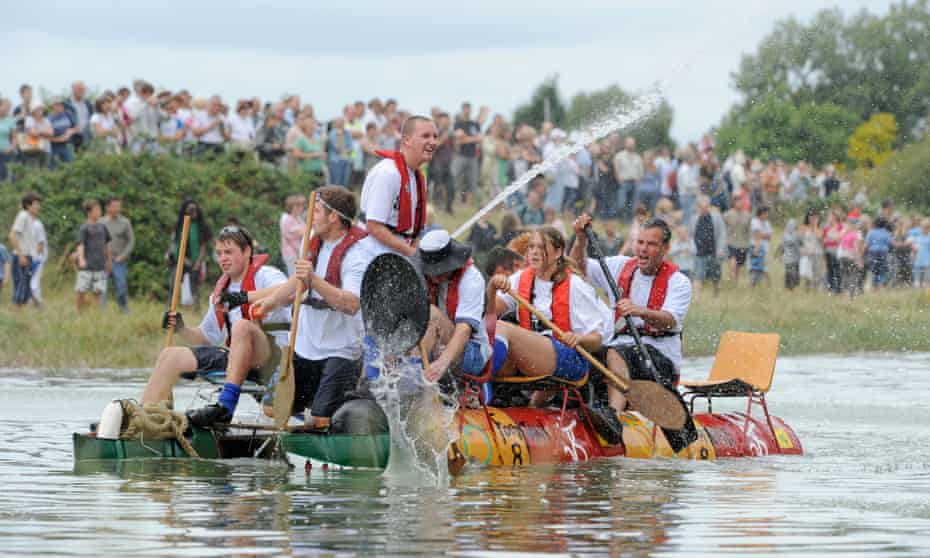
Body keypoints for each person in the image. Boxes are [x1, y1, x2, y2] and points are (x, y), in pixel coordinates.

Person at [570, 214, 698, 453]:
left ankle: (613, 414)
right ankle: (580, 413)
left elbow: (669, 321)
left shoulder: (679, 282)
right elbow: (578, 267)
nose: (643, 249)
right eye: (640, 243)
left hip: (659, 361)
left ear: (665, 248)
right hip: (618, 352)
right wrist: (580, 239)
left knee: (618, 353)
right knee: (587, 354)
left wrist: (639, 310)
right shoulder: (619, 266)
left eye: (651, 244)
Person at [144, 226, 290, 427]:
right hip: (238, 361)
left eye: (229, 252)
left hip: (272, 360)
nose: (223, 258)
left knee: (242, 327)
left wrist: (244, 297)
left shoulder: (266, 275)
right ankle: (148, 420)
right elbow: (205, 338)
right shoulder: (220, 292)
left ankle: (225, 406)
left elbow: (290, 290)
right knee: (170, 355)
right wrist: (181, 329)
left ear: (247, 252)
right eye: (219, 253)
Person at [253, 186, 369, 428]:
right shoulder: (312, 239)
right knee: (271, 407)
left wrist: (314, 279)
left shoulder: (357, 254)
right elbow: (299, 280)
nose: (309, 217)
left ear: (334, 217)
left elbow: (351, 304)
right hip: (305, 345)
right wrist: (271, 301)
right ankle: (303, 425)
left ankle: (320, 419)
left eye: (315, 211)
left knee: (321, 420)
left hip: (341, 350)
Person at [486, 227, 610, 391]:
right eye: (531, 247)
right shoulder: (520, 278)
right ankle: (475, 384)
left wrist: (579, 339)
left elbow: (597, 340)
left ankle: (478, 385)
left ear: (558, 252)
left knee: (502, 328)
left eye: (541, 247)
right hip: (533, 358)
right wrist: (492, 287)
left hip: (570, 361)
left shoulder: (575, 285)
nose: (534, 253)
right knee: (489, 329)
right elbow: (489, 315)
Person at [415, 230, 492, 384]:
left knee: (431, 314)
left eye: (439, 270)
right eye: (430, 271)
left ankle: (412, 378)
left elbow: (464, 330)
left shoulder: (472, 278)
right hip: (436, 343)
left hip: (472, 353)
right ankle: (405, 374)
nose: (434, 275)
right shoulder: (421, 276)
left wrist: (441, 364)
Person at [359, 115, 437, 257]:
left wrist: (415, 250)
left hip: (397, 253)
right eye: (426, 136)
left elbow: (414, 229)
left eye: (435, 136)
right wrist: (411, 253)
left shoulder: (417, 177)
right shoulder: (388, 173)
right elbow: (374, 227)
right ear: (407, 140)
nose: (433, 142)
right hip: (371, 254)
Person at [168, 200, 211, 310]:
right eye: (191, 210)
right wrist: (181, 259)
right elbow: (174, 244)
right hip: (179, 259)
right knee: (174, 284)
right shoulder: (179, 225)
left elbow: (203, 246)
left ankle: (196, 310)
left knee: (195, 287)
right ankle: (170, 309)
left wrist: (198, 262)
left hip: (195, 261)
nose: (193, 212)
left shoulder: (201, 226)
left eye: (195, 210)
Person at [75, 199, 112, 312]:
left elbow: (106, 245)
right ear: (89, 212)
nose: (99, 211)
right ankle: (79, 313)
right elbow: (80, 245)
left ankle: (95, 315)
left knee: (98, 292)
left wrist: (109, 261)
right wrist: (81, 259)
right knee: (81, 291)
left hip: (100, 265)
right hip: (87, 265)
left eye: (99, 209)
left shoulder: (103, 227)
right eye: (96, 209)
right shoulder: (84, 227)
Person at [7, 192, 41, 308]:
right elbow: (12, 235)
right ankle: (17, 317)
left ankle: (21, 316)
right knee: (20, 288)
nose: (38, 207)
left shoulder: (30, 219)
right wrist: (21, 255)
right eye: (36, 204)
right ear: (28, 205)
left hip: (28, 257)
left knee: (25, 287)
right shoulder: (23, 216)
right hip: (21, 257)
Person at [101, 197, 135, 313]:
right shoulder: (101, 222)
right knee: (102, 288)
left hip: (119, 260)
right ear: (108, 207)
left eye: (118, 207)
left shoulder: (125, 222)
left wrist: (123, 256)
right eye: (114, 206)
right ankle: (101, 312)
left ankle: (124, 310)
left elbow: (131, 241)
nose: (117, 209)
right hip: (104, 260)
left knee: (121, 288)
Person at [689, 197, 727, 297]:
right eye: (702, 207)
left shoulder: (716, 217)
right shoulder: (694, 219)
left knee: (716, 276)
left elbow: (722, 233)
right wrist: (692, 249)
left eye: (706, 207)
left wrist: (720, 249)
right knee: (698, 274)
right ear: (698, 207)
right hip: (699, 252)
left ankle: (717, 294)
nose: (704, 209)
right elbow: (691, 235)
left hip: (714, 251)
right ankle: (696, 296)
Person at [723, 196, 752, 285]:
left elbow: (749, 230)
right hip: (731, 242)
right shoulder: (728, 214)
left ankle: (735, 281)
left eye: (740, 202)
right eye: (737, 202)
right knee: (733, 261)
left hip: (743, 243)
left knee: (739, 264)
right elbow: (723, 227)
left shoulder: (747, 215)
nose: (739, 204)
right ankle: (732, 275)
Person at [279, 194, 307, 277]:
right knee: (295, 277)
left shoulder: (297, 218)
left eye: (302, 205)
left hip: (297, 253)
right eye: (298, 206)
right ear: (291, 207)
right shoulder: (287, 219)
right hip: (292, 253)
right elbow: (305, 233)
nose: (301, 208)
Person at [864, 217, 893, 291]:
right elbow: (890, 243)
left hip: (873, 252)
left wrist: (864, 253)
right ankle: (882, 284)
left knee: (874, 270)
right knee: (883, 269)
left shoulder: (871, 232)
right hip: (883, 252)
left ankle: (874, 286)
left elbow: (867, 244)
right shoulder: (887, 233)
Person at [778, 220, 801, 290]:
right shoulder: (785, 235)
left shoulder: (797, 234)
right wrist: (780, 256)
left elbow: (800, 245)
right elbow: (782, 246)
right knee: (789, 273)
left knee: (795, 274)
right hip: (788, 258)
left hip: (796, 257)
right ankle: (789, 287)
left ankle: (792, 286)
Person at [30, 215, 47, 306]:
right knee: (31, 281)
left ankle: (37, 302)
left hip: (37, 258)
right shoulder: (28, 223)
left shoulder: (37, 225)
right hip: (30, 257)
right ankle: (33, 302)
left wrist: (35, 258)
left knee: (34, 281)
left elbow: (41, 243)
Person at [912, 218, 930, 287]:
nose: (924, 229)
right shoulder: (918, 237)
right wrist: (914, 250)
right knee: (917, 280)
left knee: (927, 280)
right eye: (922, 227)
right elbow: (914, 248)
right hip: (918, 260)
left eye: (926, 228)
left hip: (927, 261)